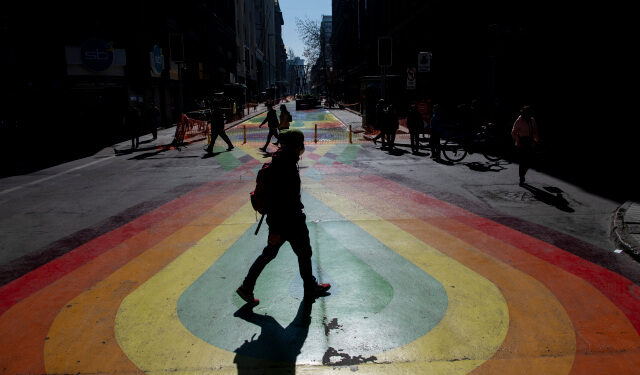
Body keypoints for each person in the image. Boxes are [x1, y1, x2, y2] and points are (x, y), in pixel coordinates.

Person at [236, 129, 331, 306]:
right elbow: (280, 200)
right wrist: (276, 230)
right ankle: (308, 287)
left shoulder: (282, 160)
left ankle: (247, 287)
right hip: (289, 221)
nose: (302, 148)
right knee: (299, 253)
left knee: (282, 253)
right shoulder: (285, 166)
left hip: (284, 220)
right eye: (301, 144)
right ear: (295, 146)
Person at [511, 105, 539, 185]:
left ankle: (523, 174)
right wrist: (517, 139)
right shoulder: (519, 120)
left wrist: (536, 140)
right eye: (527, 113)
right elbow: (513, 132)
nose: (529, 115)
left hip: (530, 141)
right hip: (522, 141)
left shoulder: (532, 120)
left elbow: (535, 131)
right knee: (523, 161)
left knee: (529, 161)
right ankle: (521, 177)